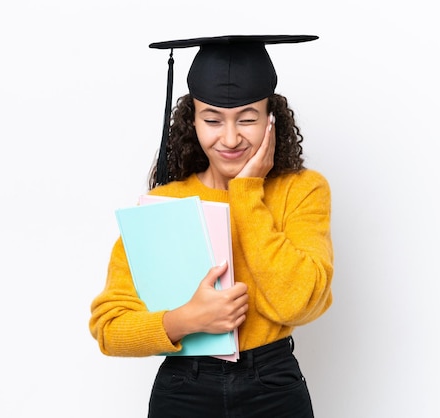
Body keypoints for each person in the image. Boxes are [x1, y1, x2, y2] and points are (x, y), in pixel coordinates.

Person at [89, 35, 334, 418]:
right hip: (184, 389)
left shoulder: (301, 192)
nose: (231, 137)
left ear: (272, 119)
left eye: (248, 119)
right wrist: (187, 319)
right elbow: (110, 327)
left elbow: (296, 303)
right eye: (213, 119)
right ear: (192, 120)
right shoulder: (168, 202)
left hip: (273, 386)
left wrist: (247, 192)